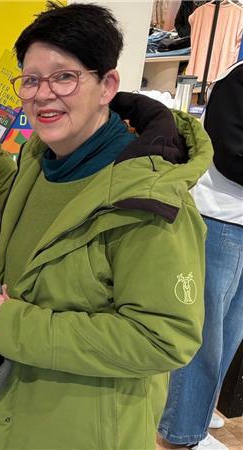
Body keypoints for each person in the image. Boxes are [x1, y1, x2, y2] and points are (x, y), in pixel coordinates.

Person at [0, 3, 211, 449]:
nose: (42, 93)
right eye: (31, 80)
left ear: (107, 84)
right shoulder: (43, 158)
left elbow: (164, 338)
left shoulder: (148, 202)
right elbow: (33, 215)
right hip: (15, 405)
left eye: (64, 77)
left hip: (83, 427)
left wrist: (22, 326)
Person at [158, 60, 243, 450]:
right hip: (220, 217)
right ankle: (182, 430)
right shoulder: (238, 78)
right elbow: (228, 150)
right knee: (206, 330)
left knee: (231, 330)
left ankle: (198, 409)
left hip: (235, 219)